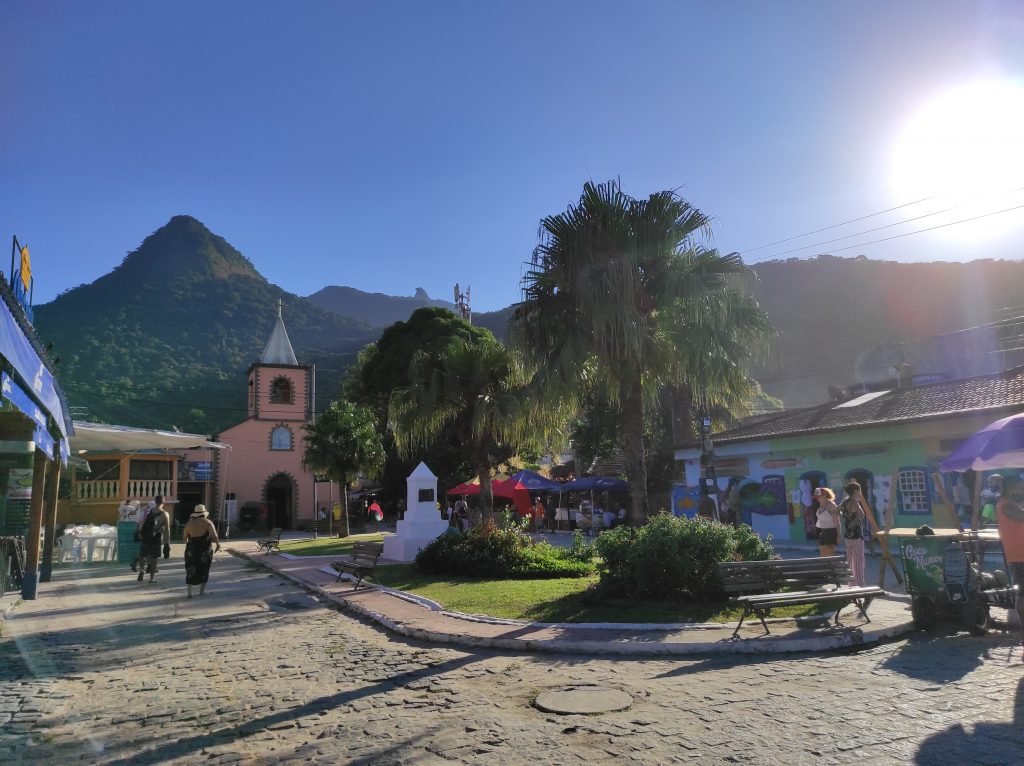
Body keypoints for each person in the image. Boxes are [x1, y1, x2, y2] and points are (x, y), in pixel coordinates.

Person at [995, 480, 1024, 631]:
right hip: (1020, 554)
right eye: (1020, 486)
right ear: (1011, 488)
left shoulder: (1009, 504)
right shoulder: (1006, 505)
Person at [839, 481, 879, 587]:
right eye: (860, 490)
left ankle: (851, 585)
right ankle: (860, 586)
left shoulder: (844, 501)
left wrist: (846, 519)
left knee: (850, 562)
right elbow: (862, 514)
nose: (860, 492)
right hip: (856, 535)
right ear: (856, 491)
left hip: (847, 536)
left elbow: (836, 511)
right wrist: (854, 521)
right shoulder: (854, 502)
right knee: (858, 563)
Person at [183, 504, 220, 598]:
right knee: (204, 569)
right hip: (204, 550)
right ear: (204, 513)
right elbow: (214, 535)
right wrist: (218, 545)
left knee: (190, 570)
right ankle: (201, 592)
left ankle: (189, 593)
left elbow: (184, 538)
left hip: (191, 550)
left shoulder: (189, 524)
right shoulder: (208, 522)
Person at [138, 496, 171, 583]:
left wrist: (140, 533)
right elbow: (167, 530)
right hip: (156, 537)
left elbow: (141, 523)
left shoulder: (148, 511)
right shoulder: (165, 514)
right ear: (163, 502)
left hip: (146, 536)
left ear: (155, 502)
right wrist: (167, 542)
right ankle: (151, 578)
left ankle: (141, 569)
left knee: (142, 555)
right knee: (154, 558)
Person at [813, 487, 840, 557]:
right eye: (816, 497)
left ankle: (831, 568)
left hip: (831, 531)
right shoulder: (821, 505)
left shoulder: (831, 505)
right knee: (822, 555)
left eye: (819, 497)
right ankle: (825, 568)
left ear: (824, 495)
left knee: (830, 555)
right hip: (823, 531)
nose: (817, 499)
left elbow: (837, 521)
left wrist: (838, 535)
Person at [130, 500, 154, 573]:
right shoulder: (152, 513)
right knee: (148, 551)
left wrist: (139, 533)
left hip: (141, 533)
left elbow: (138, 523)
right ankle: (149, 567)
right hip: (149, 534)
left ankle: (135, 562)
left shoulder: (143, 512)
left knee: (143, 550)